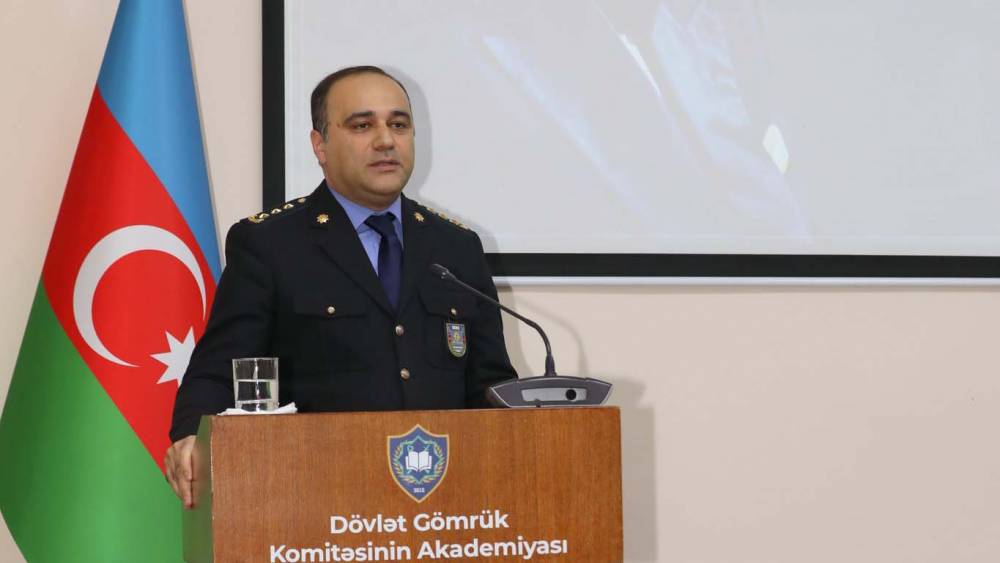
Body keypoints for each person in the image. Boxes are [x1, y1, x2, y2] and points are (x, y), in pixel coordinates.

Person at [164, 66, 517, 507]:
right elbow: (219, 371)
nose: (386, 140)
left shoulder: (456, 247)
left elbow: (490, 384)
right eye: (362, 125)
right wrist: (191, 437)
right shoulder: (271, 244)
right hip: (317, 503)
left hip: (445, 505)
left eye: (399, 124)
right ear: (320, 145)